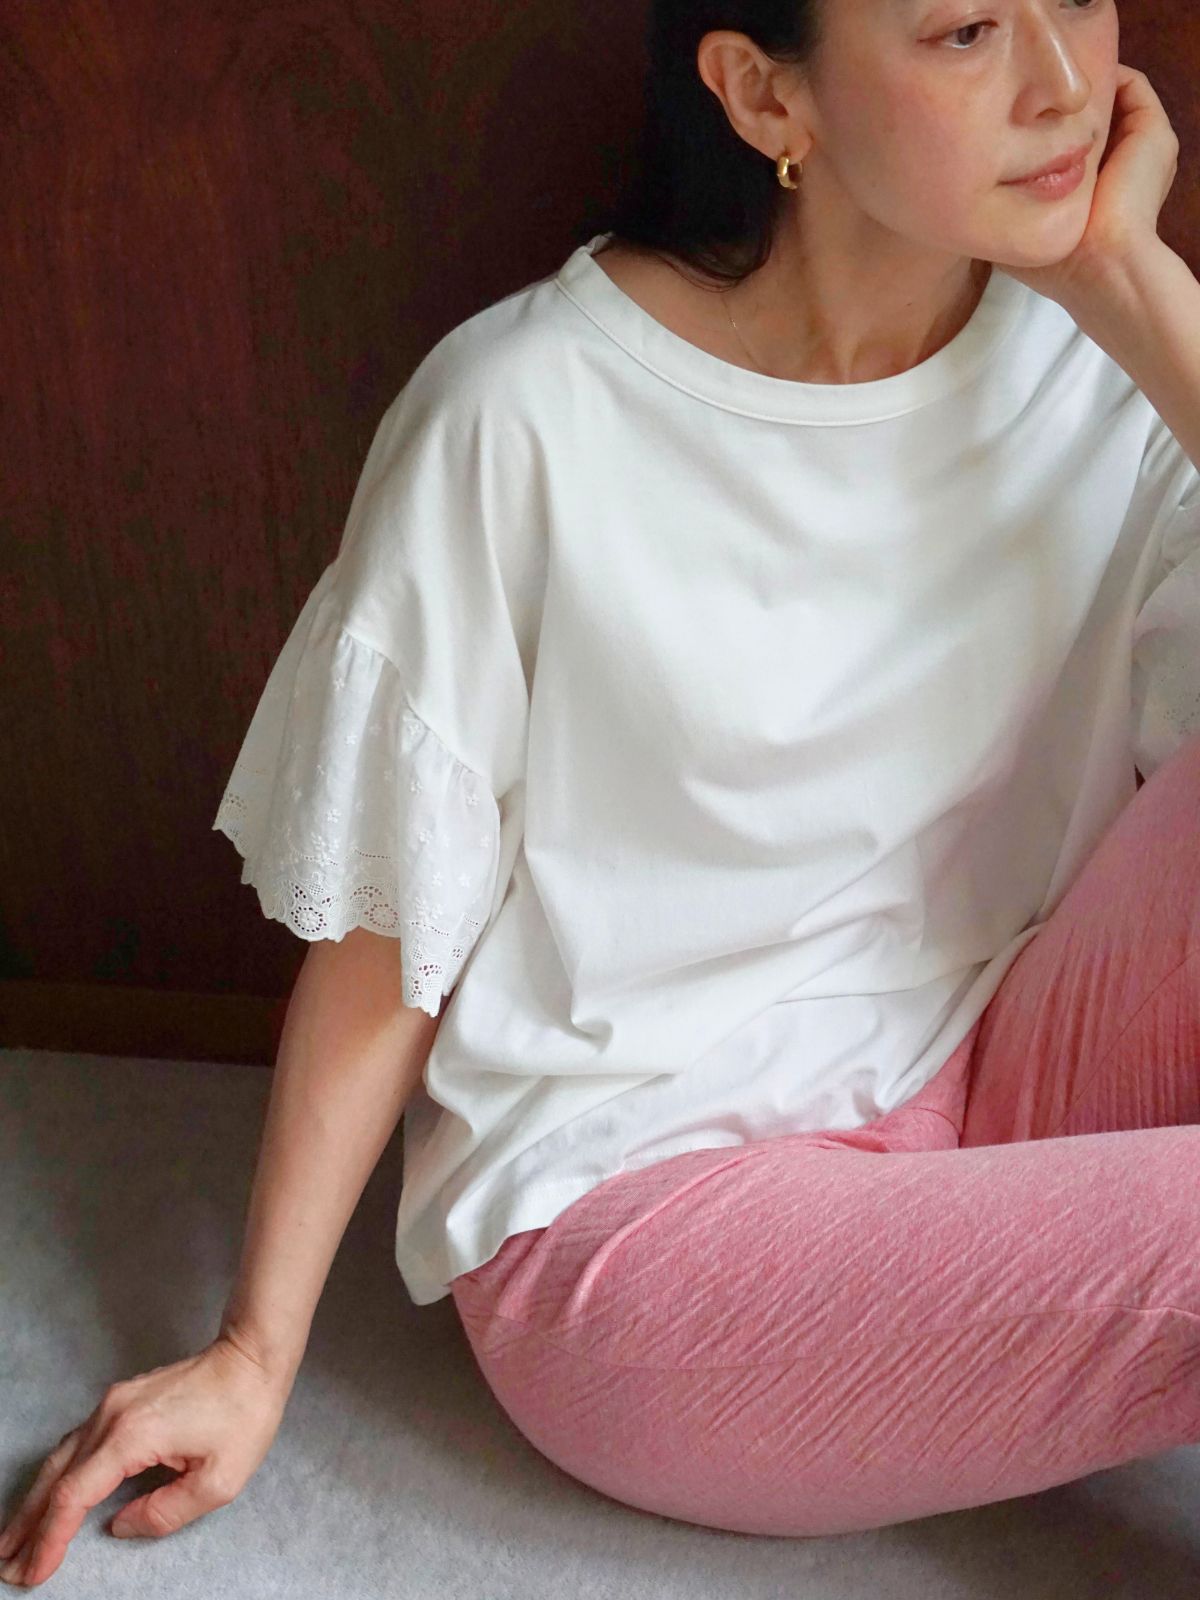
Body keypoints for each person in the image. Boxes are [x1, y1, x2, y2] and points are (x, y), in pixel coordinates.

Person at [5, 0, 1200, 1584]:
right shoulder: (526, 412)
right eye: (968, 30)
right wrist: (251, 1347)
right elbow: (393, 920)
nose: (1063, 82)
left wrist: (1133, 284)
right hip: (648, 1216)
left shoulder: (1103, 357)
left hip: (999, 1069)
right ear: (765, 94)